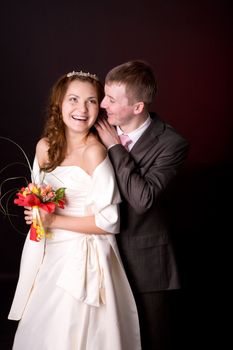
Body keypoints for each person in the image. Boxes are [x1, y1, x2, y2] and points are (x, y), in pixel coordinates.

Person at [8, 70, 141, 350]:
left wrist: (53, 219)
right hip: (50, 254)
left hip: (85, 256)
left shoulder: (95, 152)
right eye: (74, 99)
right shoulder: (44, 148)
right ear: (60, 104)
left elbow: (110, 222)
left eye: (92, 101)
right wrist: (35, 211)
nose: (82, 109)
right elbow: (38, 194)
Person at [95, 60, 190, 350]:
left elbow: (143, 199)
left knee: (153, 339)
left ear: (138, 107)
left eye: (111, 99)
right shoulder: (95, 129)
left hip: (146, 264)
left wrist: (114, 148)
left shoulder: (172, 143)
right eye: (104, 95)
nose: (102, 104)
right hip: (100, 257)